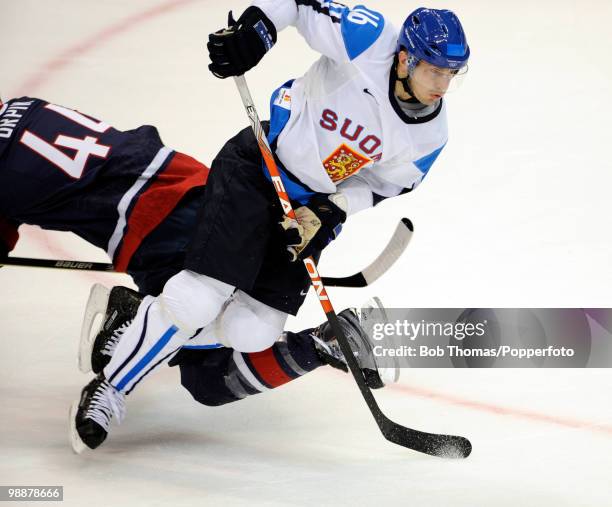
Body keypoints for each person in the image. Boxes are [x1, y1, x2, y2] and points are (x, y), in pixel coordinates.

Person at [70, 2, 470, 451]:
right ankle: (111, 387)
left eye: (452, 74)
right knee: (198, 298)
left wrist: (332, 210)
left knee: (251, 331)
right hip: (257, 169)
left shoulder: (430, 136)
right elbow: (299, 4)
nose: (443, 85)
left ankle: (135, 320)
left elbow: (381, 186)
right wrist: (257, 30)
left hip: (309, 210)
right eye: (435, 71)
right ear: (404, 58)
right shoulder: (370, 38)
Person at [0, 97, 391, 451]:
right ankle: (139, 321)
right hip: (194, 184)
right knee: (223, 328)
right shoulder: (20, 107)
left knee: (209, 377)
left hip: (152, 229)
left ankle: (135, 321)